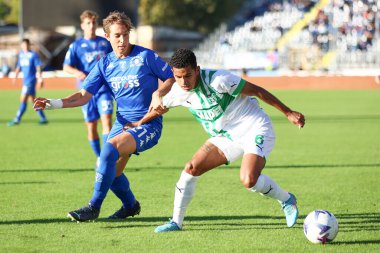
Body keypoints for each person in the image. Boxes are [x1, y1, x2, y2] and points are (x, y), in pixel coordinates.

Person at [127, 48, 306, 233]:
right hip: (225, 136)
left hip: (254, 126)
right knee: (191, 168)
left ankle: (286, 199)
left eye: (188, 75)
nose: (183, 82)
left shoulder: (219, 80)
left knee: (248, 179)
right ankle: (176, 222)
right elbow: (158, 109)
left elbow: (257, 91)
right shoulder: (177, 92)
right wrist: (138, 123)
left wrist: (288, 112)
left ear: (197, 70)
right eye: (178, 77)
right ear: (173, 74)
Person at [33, 11, 175, 222]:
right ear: (107, 37)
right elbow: (82, 96)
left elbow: (172, 78)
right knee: (108, 169)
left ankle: (93, 207)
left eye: (125, 34)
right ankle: (130, 205)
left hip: (149, 124)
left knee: (108, 150)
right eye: (117, 35)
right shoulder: (105, 64)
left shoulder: (146, 57)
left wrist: (159, 92)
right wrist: (53, 103)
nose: (122, 40)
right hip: (123, 123)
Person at [63, 10, 114, 168]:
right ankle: (99, 156)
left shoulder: (105, 43)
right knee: (91, 125)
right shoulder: (76, 46)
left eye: (93, 23)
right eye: (88, 23)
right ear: (82, 25)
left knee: (106, 122)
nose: (91, 26)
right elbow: (66, 66)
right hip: (85, 91)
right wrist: (76, 71)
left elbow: (116, 60)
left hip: (104, 89)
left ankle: (106, 158)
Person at [7, 38, 48, 126]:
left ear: (29, 45)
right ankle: (43, 118)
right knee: (33, 100)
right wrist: (15, 75)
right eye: (23, 45)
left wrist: (40, 78)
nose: (24, 47)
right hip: (25, 81)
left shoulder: (33, 55)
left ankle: (17, 119)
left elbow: (38, 67)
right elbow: (19, 66)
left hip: (30, 81)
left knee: (23, 99)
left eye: (26, 45)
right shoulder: (21, 54)